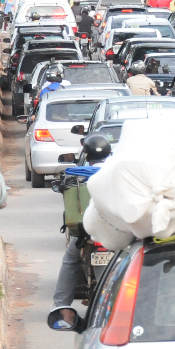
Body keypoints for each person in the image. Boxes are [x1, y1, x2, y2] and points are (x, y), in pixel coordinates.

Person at [51, 134, 111, 315]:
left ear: (87, 154)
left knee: (70, 261)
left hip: (86, 231)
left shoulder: (77, 174)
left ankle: (60, 306)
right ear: (108, 153)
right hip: (115, 231)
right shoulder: (116, 172)